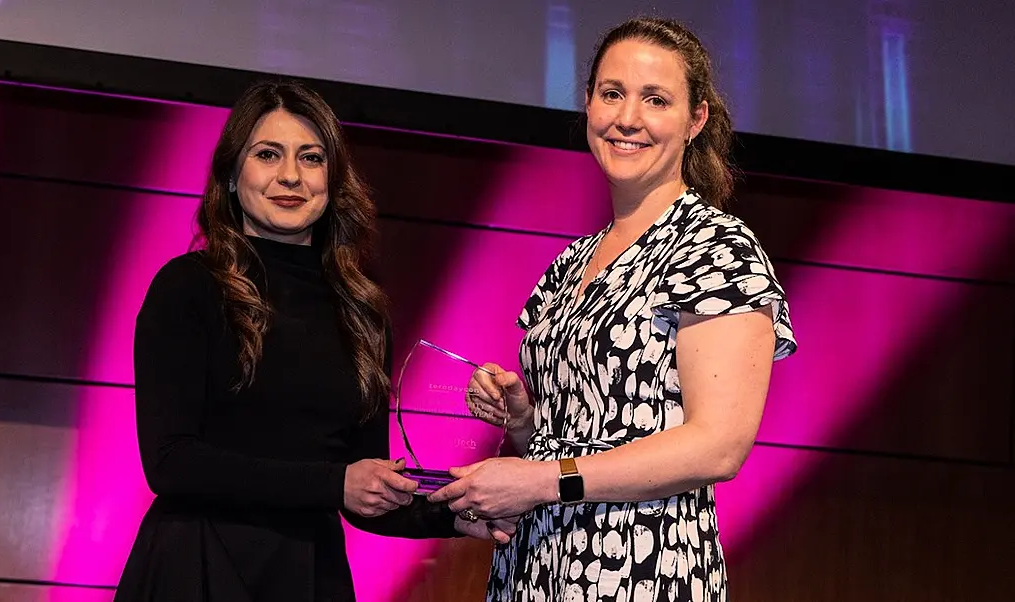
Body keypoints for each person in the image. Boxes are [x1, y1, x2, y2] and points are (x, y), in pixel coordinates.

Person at [428, 17, 798, 602]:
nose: (628, 118)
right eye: (612, 93)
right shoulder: (571, 264)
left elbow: (718, 446)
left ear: (695, 120)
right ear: (589, 105)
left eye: (655, 99)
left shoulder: (717, 249)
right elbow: (563, 444)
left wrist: (544, 479)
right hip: (534, 567)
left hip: (642, 572)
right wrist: (525, 421)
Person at [113, 79, 511, 602]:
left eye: (311, 157)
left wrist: (460, 515)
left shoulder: (361, 310)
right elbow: (170, 462)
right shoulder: (189, 286)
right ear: (233, 176)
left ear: (332, 179)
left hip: (310, 574)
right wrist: (333, 484)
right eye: (267, 154)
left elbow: (367, 491)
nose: (290, 176)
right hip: (199, 567)